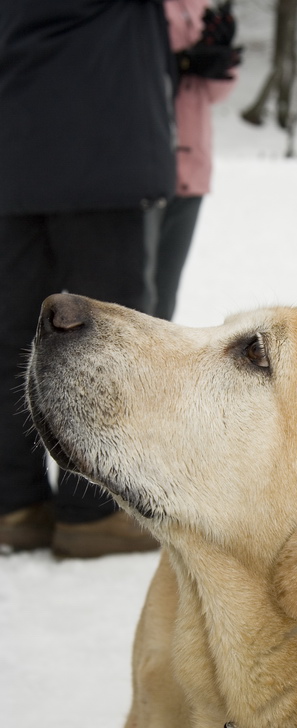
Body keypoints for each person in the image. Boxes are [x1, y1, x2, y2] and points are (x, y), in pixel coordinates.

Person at [0, 0, 176, 557]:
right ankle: (93, 511)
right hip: (105, 141)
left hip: (15, 143)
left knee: (9, 332)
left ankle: (14, 502)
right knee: (106, 340)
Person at [155, 0, 241, 321]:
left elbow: (215, 94)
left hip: (192, 172)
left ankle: (152, 371)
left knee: (163, 300)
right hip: (145, 169)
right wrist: (180, 63)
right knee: (130, 293)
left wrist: (221, 56)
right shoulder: (139, 10)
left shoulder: (199, 5)